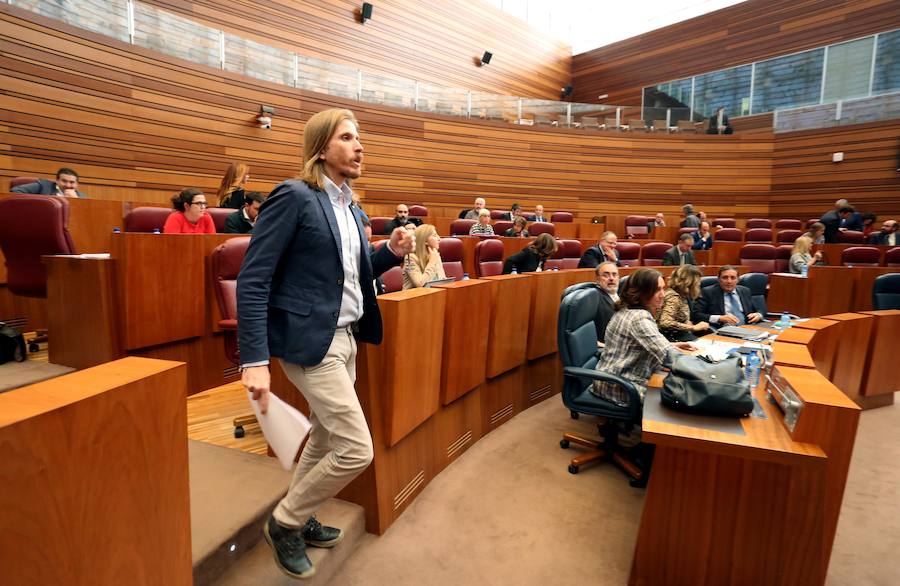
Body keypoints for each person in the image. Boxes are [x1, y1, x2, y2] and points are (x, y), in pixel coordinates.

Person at [236, 108, 414, 579]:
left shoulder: (351, 208)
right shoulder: (294, 197)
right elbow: (253, 280)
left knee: (325, 433)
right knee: (357, 448)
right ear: (321, 146)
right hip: (310, 342)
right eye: (348, 138)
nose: (360, 147)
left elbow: (351, 278)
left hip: (347, 338)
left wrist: (389, 254)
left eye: (360, 139)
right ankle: (286, 522)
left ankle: (303, 510)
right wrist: (253, 359)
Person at [591, 268, 696, 408]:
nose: (662, 295)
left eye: (663, 289)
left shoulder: (628, 310)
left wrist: (672, 346)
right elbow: (669, 356)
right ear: (641, 292)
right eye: (657, 290)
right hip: (619, 385)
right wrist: (710, 370)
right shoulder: (639, 318)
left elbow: (649, 343)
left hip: (614, 378)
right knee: (681, 399)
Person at [693, 265, 763, 327]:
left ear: (738, 280)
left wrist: (758, 315)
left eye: (733, 278)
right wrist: (719, 318)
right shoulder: (708, 292)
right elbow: (696, 315)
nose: (729, 281)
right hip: (722, 330)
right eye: (725, 277)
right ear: (719, 279)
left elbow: (758, 310)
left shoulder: (745, 291)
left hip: (747, 328)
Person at [657, 265, 709, 342]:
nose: (699, 285)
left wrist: (686, 323)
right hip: (671, 339)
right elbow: (665, 322)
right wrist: (693, 327)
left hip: (679, 335)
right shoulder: (674, 297)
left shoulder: (682, 295)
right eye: (697, 282)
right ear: (689, 283)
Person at [402, 224, 445, 289]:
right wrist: (432, 262)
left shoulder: (435, 254)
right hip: (414, 297)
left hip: (433, 295)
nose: (439, 239)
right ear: (425, 240)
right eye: (435, 236)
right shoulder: (410, 258)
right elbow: (420, 284)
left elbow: (442, 279)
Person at [11, 167, 85, 198]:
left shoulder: (80, 196)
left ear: (77, 184)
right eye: (64, 181)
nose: (68, 185)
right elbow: (16, 190)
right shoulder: (43, 186)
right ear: (57, 181)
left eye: (72, 182)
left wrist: (76, 200)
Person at [593, 261, 619, 344]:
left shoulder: (620, 296)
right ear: (597, 279)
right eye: (606, 275)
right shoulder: (595, 299)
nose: (611, 278)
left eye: (614, 275)